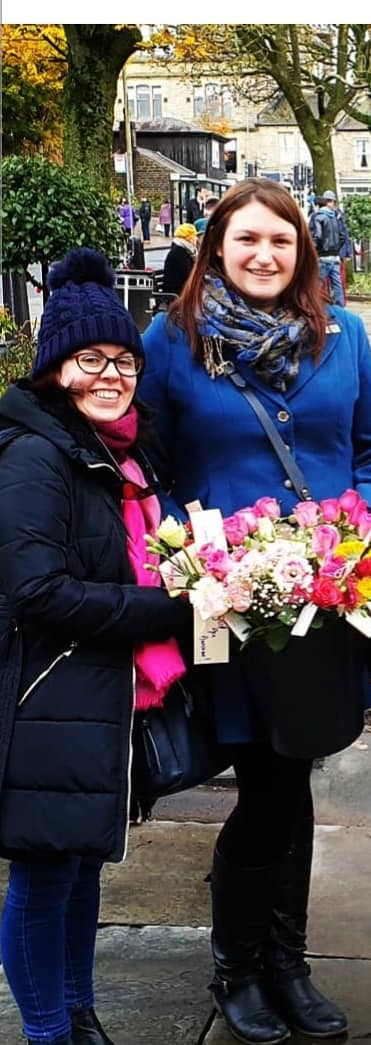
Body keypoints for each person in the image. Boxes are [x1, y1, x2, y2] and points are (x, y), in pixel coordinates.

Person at [138, 177, 371, 1045]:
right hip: (227, 603)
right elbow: (147, 471)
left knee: (292, 778)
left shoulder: (346, 336)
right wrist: (202, 551)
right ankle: (242, 965)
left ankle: (283, 962)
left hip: (324, 603)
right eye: (246, 239)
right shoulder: (172, 342)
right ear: (217, 245)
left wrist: (352, 529)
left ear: (304, 252)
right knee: (267, 782)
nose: (263, 255)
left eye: (280, 242)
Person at [0, 248, 193, 1045]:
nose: (112, 374)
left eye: (123, 359)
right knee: (44, 877)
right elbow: (35, 590)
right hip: (48, 697)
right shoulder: (36, 455)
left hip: (100, 696)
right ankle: (48, 1032)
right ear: (56, 370)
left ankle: (79, 1013)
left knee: (81, 868)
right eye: (91, 359)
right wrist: (168, 610)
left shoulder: (121, 449)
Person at [308, 191, 346, 306]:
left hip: (323, 256)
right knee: (337, 284)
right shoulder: (334, 217)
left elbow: (317, 236)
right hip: (335, 256)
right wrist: (336, 249)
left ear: (317, 205)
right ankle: (340, 307)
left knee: (316, 283)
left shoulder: (319, 217)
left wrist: (315, 248)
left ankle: (314, 306)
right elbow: (342, 236)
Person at [162, 223, 198, 298]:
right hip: (177, 294)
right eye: (195, 236)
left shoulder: (184, 250)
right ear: (189, 238)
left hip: (183, 290)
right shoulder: (178, 253)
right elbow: (189, 275)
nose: (196, 239)